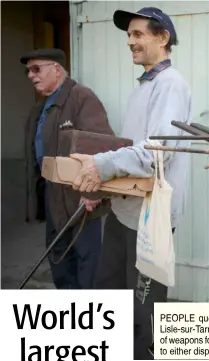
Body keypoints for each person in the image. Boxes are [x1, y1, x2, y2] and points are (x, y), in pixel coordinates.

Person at [68, 7, 192, 360]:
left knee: (145, 312)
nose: (130, 42)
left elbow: (155, 154)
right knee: (113, 297)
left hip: (150, 219)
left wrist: (98, 167)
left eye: (138, 35)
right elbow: (130, 151)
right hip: (125, 213)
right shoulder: (145, 86)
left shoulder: (170, 86)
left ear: (162, 38)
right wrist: (102, 187)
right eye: (129, 36)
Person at [22, 48, 114, 290]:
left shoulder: (81, 97)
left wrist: (93, 193)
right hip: (53, 193)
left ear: (56, 69)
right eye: (28, 71)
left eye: (36, 69)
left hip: (80, 194)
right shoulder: (41, 107)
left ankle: (92, 319)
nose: (31, 75)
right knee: (60, 260)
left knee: (87, 264)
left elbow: (102, 145)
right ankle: (70, 317)